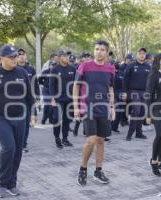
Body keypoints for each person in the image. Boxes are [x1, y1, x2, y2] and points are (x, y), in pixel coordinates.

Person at [0, 45, 35, 197]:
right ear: (2, 58)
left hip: (20, 117)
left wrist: (33, 113)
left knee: (17, 151)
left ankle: (12, 183)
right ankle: (1, 183)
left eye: (15, 56)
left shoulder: (22, 73)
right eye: (11, 57)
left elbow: (29, 96)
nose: (14, 59)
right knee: (9, 148)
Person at [73, 40, 115, 186]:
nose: (99, 52)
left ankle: (98, 171)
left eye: (102, 49)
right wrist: (76, 107)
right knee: (91, 140)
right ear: (94, 50)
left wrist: (112, 107)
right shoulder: (84, 66)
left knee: (100, 141)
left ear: (106, 52)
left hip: (103, 108)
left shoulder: (110, 68)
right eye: (97, 49)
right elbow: (76, 87)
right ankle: (83, 169)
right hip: (87, 107)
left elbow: (110, 89)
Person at [49, 49, 76, 148]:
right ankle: (57, 138)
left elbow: (75, 85)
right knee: (56, 118)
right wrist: (52, 98)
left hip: (69, 99)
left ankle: (65, 139)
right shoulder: (55, 69)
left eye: (67, 56)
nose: (67, 57)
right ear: (60, 57)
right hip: (58, 99)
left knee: (67, 119)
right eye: (64, 56)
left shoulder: (72, 69)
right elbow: (51, 85)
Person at [123, 48, 151, 141]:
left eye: (143, 53)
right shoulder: (131, 65)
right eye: (140, 53)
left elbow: (151, 81)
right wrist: (124, 92)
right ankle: (129, 134)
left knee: (142, 112)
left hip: (145, 92)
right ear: (137, 54)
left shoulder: (148, 66)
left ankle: (139, 133)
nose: (142, 55)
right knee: (136, 110)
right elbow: (125, 80)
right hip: (133, 91)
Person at [16, 48, 40, 152]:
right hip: (15, 101)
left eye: (23, 54)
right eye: (19, 54)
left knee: (26, 123)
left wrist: (38, 97)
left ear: (26, 56)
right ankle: (16, 142)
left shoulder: (31, 69)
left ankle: (23, 144)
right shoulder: (13, 69)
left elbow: (35, 84)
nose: (21, 56)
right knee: (16, 123)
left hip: (28, 100)